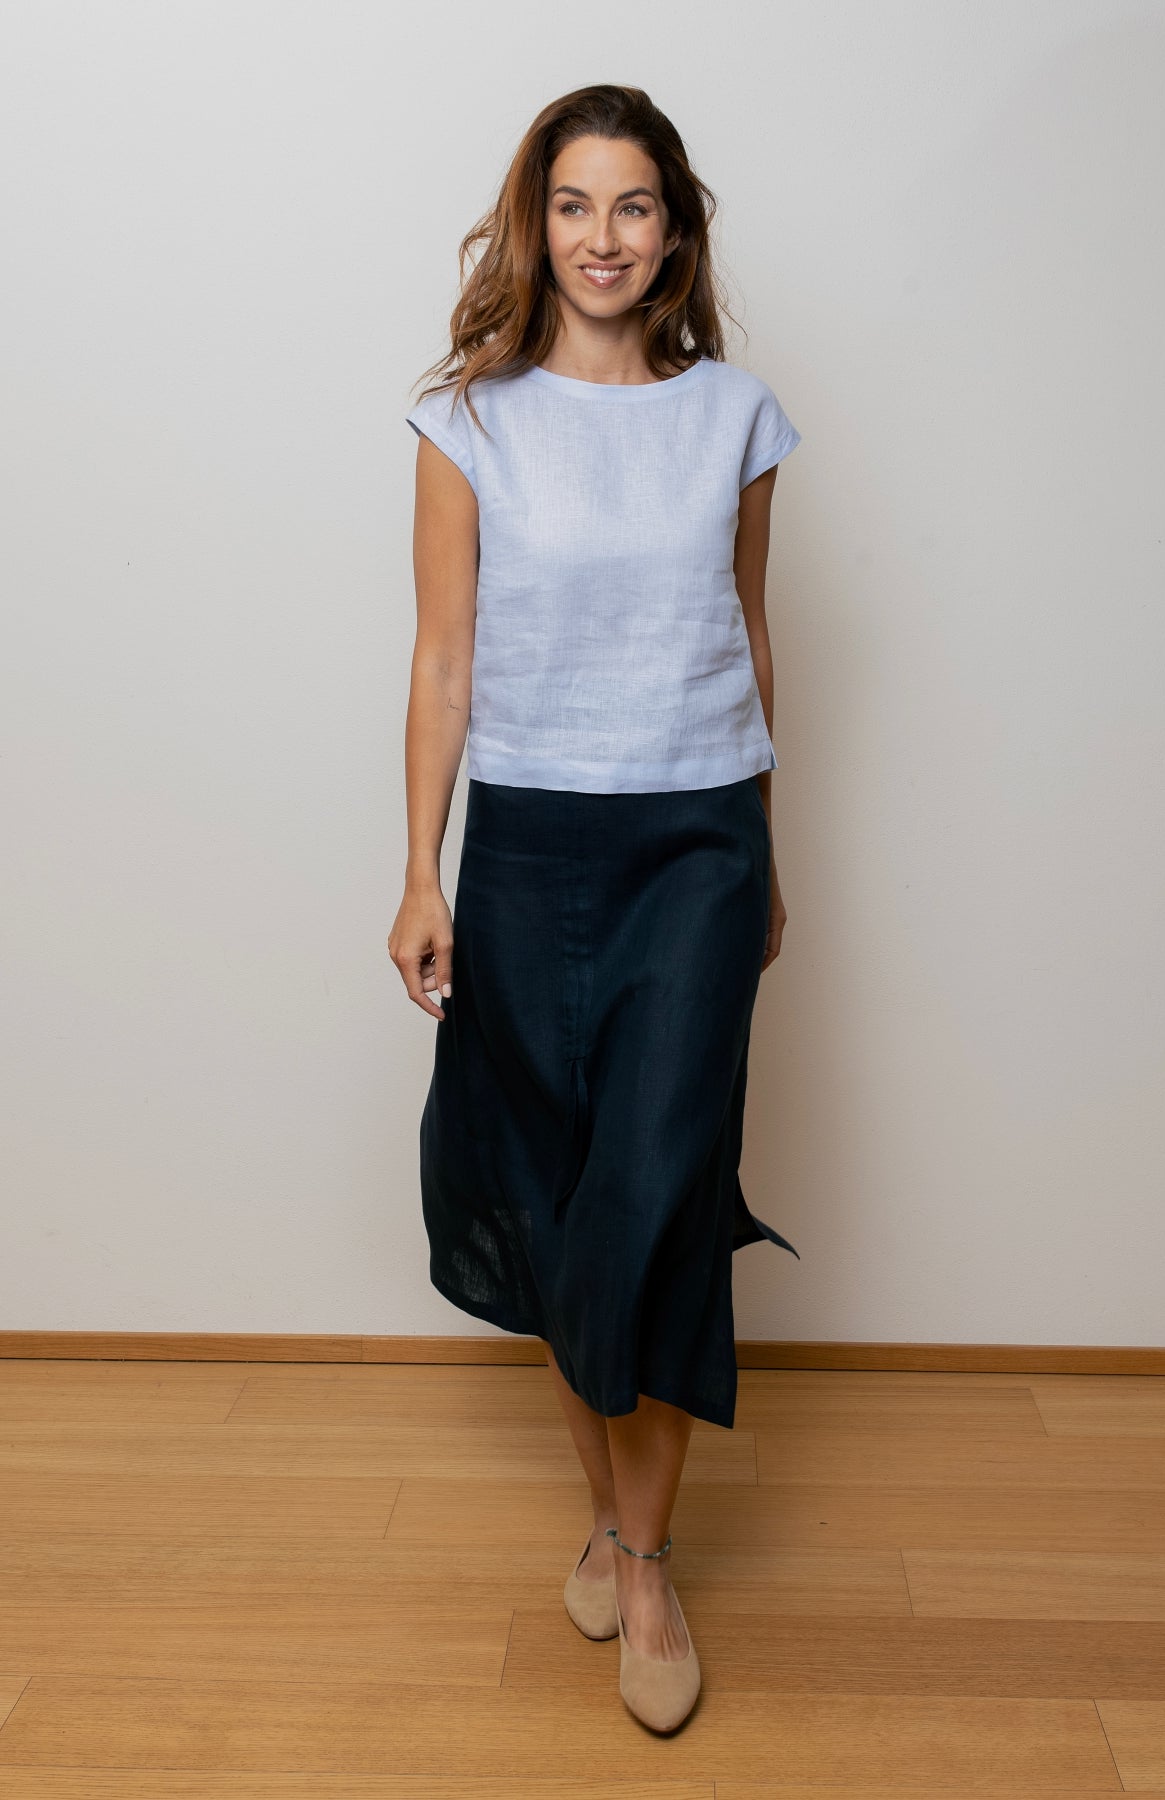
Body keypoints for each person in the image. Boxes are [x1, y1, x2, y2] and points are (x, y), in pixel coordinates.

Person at [387, 83, 802, 1733]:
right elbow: (442, 663)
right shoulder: (469, 424)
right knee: (559, 1201)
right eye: (573, 204)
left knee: (660, 1191)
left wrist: (766, 845)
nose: (602, 237)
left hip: (696, 842)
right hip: (530, 850)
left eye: (633, 205)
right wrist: (420, 870)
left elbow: (748, 640)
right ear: (536, 221)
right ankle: (616, 1521)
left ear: (674, 229)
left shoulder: (737, 418)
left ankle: (646, 1564)